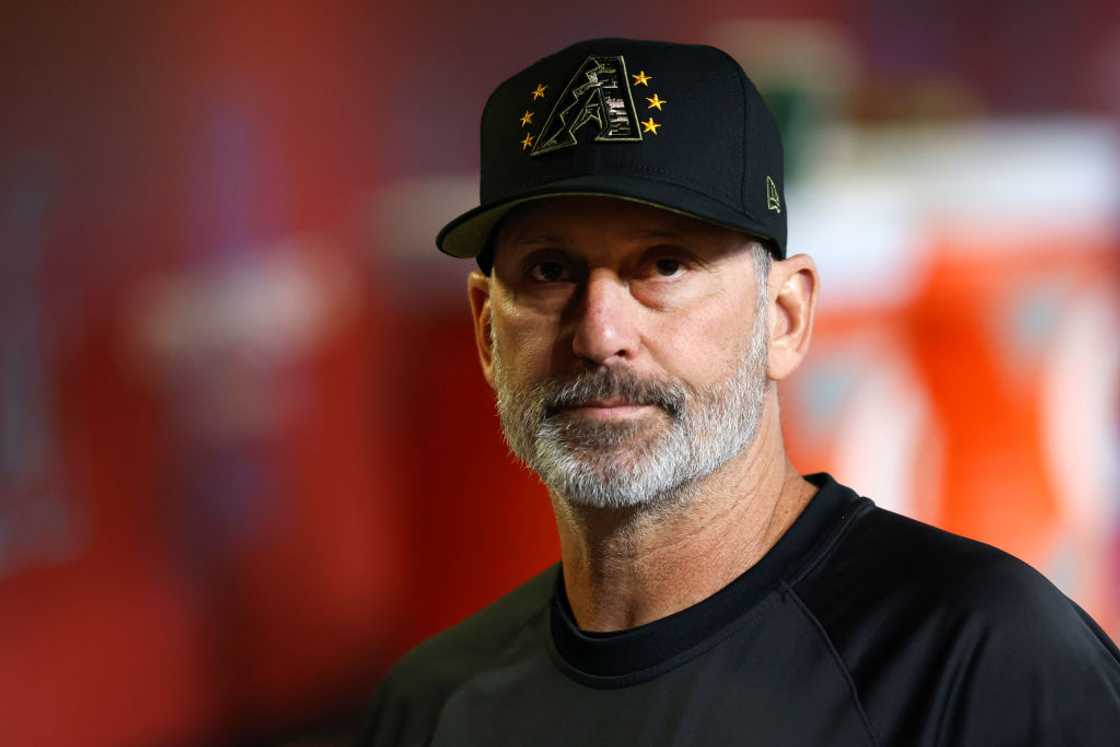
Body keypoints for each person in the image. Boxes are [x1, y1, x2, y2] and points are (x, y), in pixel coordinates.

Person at [359, 38, 1120, 746]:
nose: (599, 333)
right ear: (488, 333)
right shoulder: (429, 707)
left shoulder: (978, 661)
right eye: (551, 271)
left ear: (784, 319)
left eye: (664, 265)